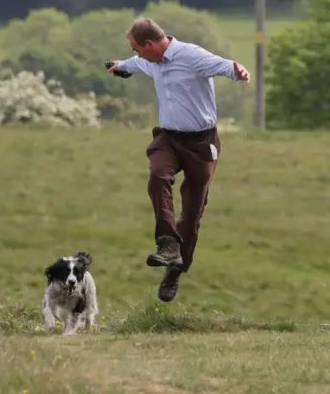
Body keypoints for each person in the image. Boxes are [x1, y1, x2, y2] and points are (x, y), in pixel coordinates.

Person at [107, 17, 250, 302]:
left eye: (137, 49)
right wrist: (121, 67)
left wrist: (238, 71)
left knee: (193, 212)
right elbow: (138, 64)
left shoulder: (191, 56)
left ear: (150, 44)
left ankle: (176, 269)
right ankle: (167, 243)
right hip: (168, 138)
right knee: (158, 175)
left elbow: (222, 65)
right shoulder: (151, 60)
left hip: (202, 143)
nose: (138, 54)